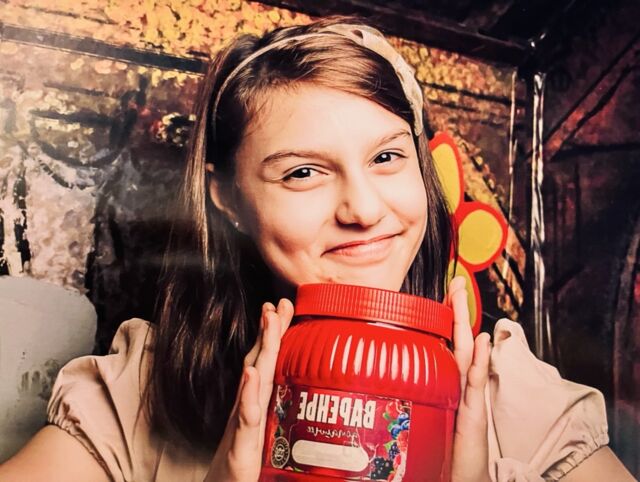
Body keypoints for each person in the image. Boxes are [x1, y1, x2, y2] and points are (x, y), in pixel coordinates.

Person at [0, 15, 634, 482]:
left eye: (386, 158)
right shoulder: (144, 385)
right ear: (227, 199)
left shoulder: (507, 390)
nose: (364, 210)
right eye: (303, 172)